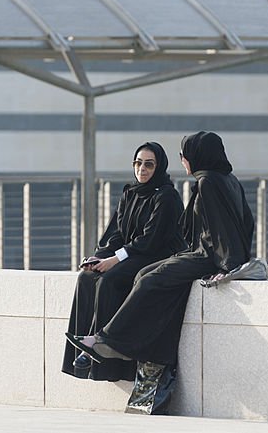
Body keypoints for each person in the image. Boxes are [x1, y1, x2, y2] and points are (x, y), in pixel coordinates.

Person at [67, 130, 255, 368]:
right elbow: (247, 223)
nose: (183, 159)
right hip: (202, 253)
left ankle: (109, 341)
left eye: (185, 154)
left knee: (149, 280)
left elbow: (220, 229)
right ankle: (111, 341)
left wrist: (229, 266)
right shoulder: (226, 180)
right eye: (137, 163)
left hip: (206, 256)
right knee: (143, 275)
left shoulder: (207, 182)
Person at [61, 141, 183, 381]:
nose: (142, 169)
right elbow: (117, 232)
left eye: (149, 164)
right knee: (87, 277)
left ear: (159, 167)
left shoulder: (166, 196)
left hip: (154, 256)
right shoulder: (130, 192)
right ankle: (83, 356)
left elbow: (150, 240)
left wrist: (115, 260)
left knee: (110, 280)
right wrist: (101, 256)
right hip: (128, 255)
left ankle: (108, 360)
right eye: (138, 163)